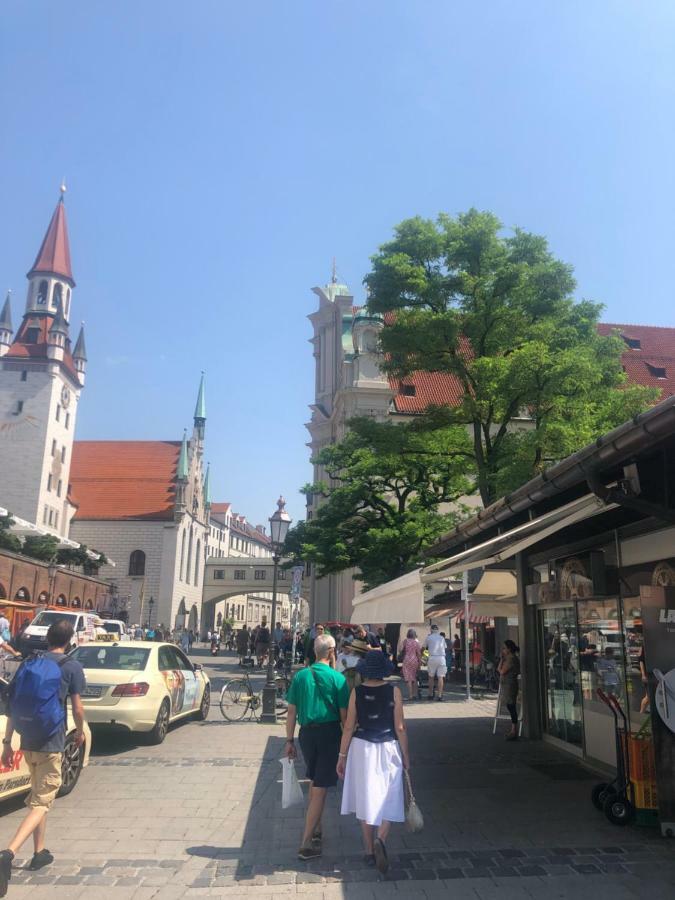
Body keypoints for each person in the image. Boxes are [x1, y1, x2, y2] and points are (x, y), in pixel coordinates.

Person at [0, 620, 86, 892]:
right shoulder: (71, 666)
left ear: (47, 639)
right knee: (43, 801)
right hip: (52, 741)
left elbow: (13, 705)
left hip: (27, 740)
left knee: (39, 794)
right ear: (70, 640)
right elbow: (78, 708)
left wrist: (7, 744)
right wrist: (80, 732)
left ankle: (39, 852)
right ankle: (8, 853)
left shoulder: (29, 663)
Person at [337, 647, 409, 875]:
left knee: (365, 797)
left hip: (362, 748)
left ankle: (368, 851)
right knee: (391, 793)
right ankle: (381, 838)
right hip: (387, 745)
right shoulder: (395, 692)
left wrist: (342, 755)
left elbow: (349, 725)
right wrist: (406, 755)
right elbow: (400, 727)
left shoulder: (356, 692)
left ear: (366, 671)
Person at [284, 634, 349, 861]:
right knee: (321, 786)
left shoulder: (300, 676)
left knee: (314, 778)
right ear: (332, 652)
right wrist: (346, 747)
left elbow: (291, 712)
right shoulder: (338, 679)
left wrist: (289, 740)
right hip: (329, 733)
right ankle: (306, 843)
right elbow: (344, 717)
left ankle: (318, 828)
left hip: (306, 735)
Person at [497, 640, 521, 740]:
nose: (503, 650)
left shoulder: (512, 659)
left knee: (511, 705)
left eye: (504, 648)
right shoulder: (507, 658)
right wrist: (502, 659)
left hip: (510, 685)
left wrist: (503, 661)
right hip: (506, 684)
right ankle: (513, 729)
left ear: (509, 649)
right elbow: (499, 669)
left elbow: (502, 671)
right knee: (509, 705)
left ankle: (514, 730)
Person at [424, 624, 447, 701]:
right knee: (440, 677)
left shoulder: (429, 637)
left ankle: (430, 694)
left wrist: (422, 655)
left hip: (432, 657)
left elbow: (424, 647)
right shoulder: (442, 638)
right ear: (438, 630)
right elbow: (445, 647)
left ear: (431, 630)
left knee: (431, 677)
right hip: (441, 658)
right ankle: (440, 695)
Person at [398, 629, 422, 701]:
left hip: (406, 660)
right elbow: (419, 653)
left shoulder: (405, 641)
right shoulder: (416, 642)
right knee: (414, 678)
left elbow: (400, 650)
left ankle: (410, 696)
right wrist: (420, 663)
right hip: (414, 660)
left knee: (408, 679)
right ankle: (415, 694)